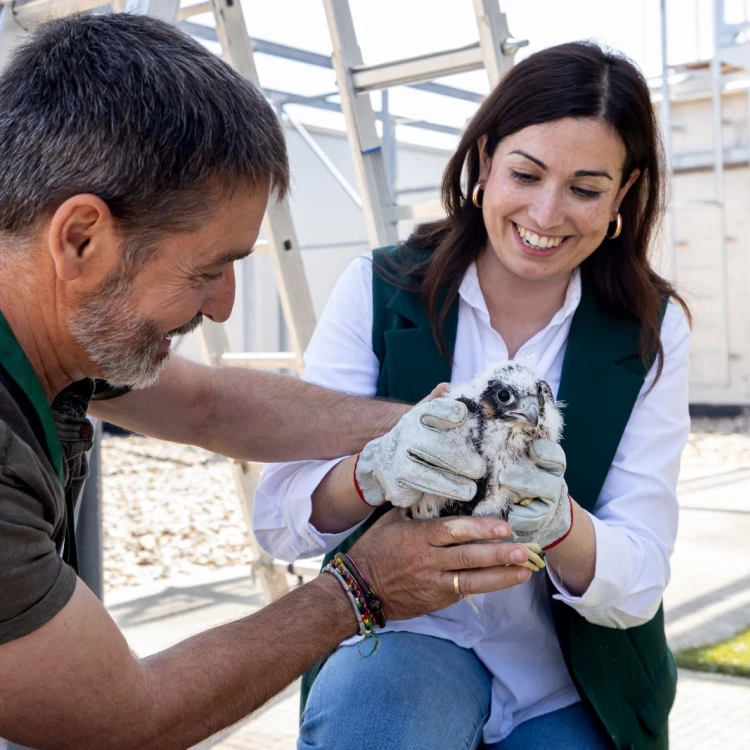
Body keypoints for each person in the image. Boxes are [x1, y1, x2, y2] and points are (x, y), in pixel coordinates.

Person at [0, 13, 539, 750]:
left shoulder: (53, 318)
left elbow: (209, 405)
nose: (222, 304)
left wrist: (424, 430)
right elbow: (122, 718)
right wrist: (357, 590)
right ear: (81, 237)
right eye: (206, 269)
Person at [255, 41, 692, 749]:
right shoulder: (377, 289)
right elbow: (279, 517)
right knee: (378, 719)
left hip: (570, 674)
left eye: (585, 188)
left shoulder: (652, 328)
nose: (547, 215)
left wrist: (557, 522)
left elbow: (640, 577)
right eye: (526, 173)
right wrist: (375, 472)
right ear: (484, 160)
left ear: (624, 194)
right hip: (408, 638)